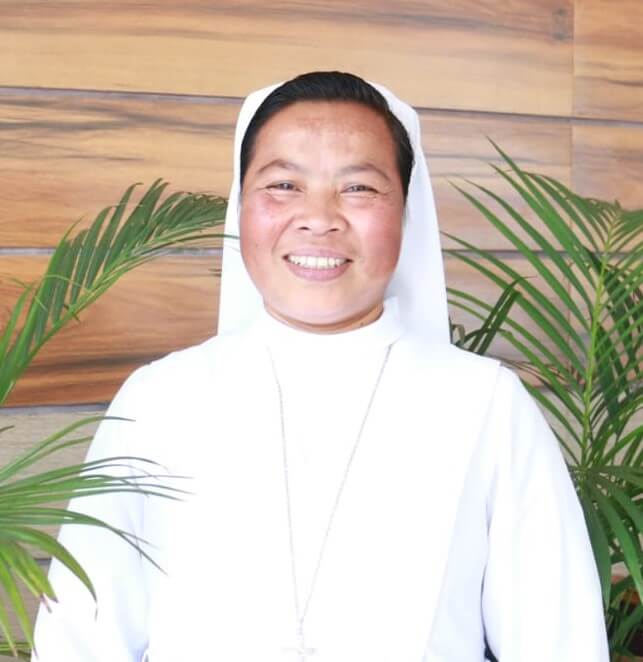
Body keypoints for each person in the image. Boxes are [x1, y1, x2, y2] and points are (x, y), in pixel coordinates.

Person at [32, 71, 609, 661]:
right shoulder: (159, 400)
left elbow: (560, 642)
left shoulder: (485, 403)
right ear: (241, 203)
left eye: (358, 188)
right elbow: (81, 637)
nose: (319, 218)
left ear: (406, 212)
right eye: (283, 184)